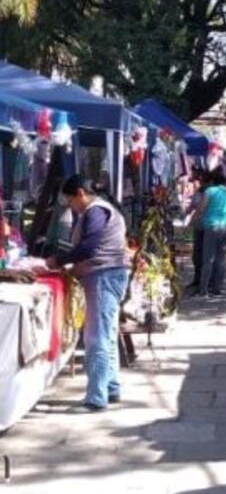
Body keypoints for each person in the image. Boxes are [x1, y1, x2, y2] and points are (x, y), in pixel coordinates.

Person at [45, 175, 129, 412]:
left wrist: (59, 260)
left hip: (103, 276)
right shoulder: (100, 210)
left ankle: (96, 397)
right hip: (108, 274)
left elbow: (88, 247)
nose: (71, 206)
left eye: (70, 200)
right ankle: (110, 387)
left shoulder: (96, 211)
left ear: (81, 193)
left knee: (96, 338)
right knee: (106, 334)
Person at [191, 168, 226, 297]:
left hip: (212, 226)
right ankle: (217, 288)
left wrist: (193, 221)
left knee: (208, 259)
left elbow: (201, 209)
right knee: (221, 258)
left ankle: (203, 289)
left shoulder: (210, 191)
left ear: (212, 181)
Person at [186, 168, 208, 289]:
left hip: (208, 227)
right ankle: (197, 278)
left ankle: (205, 281)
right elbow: (192, 207)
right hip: (198, 227)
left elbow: (198, 210)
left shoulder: (210, 193)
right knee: (196, 255)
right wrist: (185, 213)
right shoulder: (198, 193)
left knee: (206, 255)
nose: (201, 182)